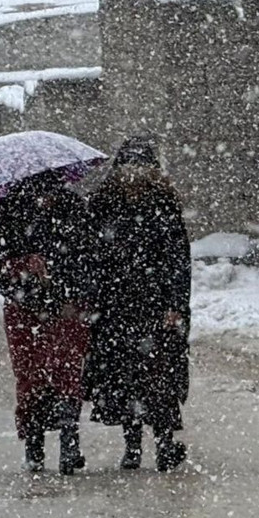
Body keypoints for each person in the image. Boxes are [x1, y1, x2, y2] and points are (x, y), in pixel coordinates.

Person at [83, 136, 191, 472]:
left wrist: (174, 303)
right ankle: (132, 445)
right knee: (124, 378)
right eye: (128, 169)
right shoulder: (103, 207)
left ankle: (163, 443)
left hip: (156, 308)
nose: (133, 177)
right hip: (116, 307)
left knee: (160, 379)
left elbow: (177, 260)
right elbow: (92, 257)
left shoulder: (163, 207)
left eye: (140, 170)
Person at [0, 169, 93, 475]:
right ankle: (34, 446)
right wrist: (20, 266)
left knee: (67, 373)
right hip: (24, 309)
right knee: (31, 376)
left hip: (67, 307)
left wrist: (66, 280)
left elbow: (90, 256)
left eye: (51, 193)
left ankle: (70, 444)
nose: (47, 200)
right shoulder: (11, 210)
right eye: (41, 194)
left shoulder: (74, 210)